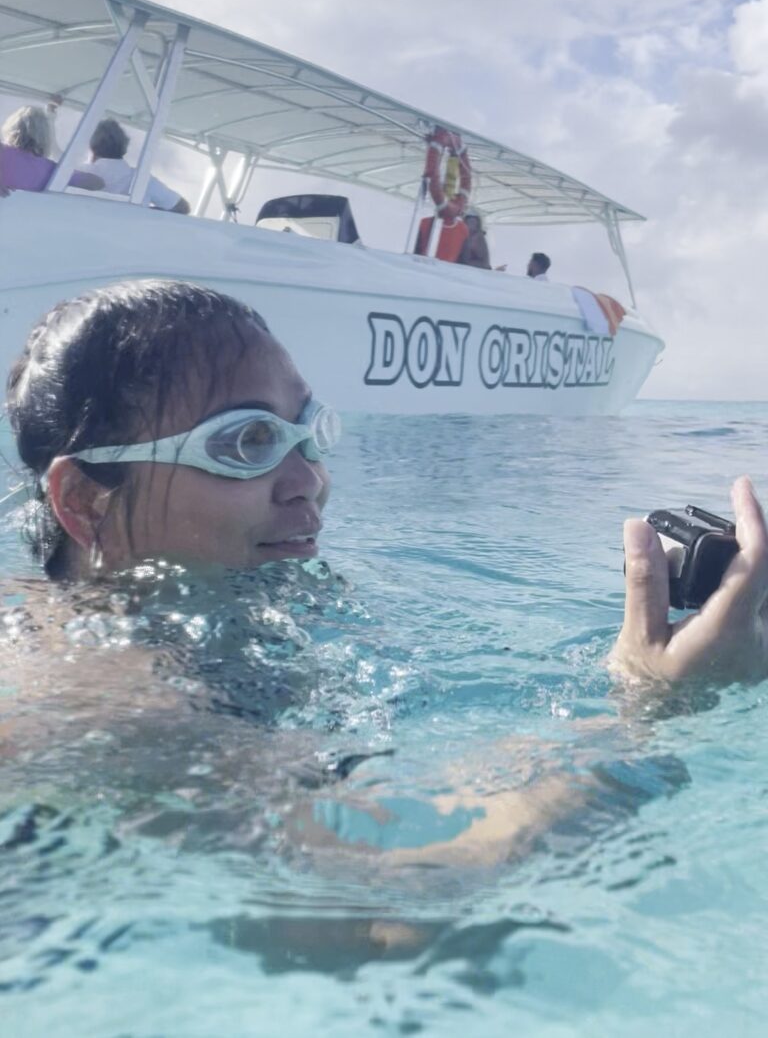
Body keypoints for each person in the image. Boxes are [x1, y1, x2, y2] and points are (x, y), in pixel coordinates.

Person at [5, 280, 768, 881]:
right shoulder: (101, 698)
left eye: (310, 432)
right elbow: (387, 903)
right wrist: (652, 706)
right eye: (247, 441)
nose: (309, 481)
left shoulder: (227, 616)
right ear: (82, 499)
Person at [87, 117, 190, 213]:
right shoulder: (142, 179)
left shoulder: (82, 173)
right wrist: (144, 211)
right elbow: (182, 207)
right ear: (124, 147)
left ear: (92, 146)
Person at [0, 105, 104, 194]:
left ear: (10, 129)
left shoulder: (3, 152)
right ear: (45, 136)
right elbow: (98, 183)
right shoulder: (51, 169)